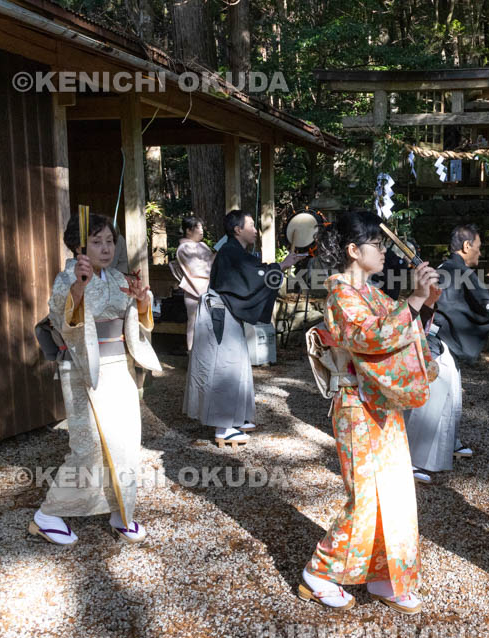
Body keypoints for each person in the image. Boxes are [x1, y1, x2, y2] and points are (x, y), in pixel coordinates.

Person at [300, 210, 440, 613]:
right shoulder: (341, 296)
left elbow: (403, 332)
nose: (382, 251)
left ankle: (383, 574)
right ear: (353, 251)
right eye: (376, 245)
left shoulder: (372, 294)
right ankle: (319, 572)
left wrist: (425, 307)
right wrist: (412, 300)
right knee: (364, 496)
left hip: (381, 404)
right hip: (355, 405)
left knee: (394, 493)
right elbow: (371, 338)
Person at [30, 213, 162, 546]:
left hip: (120, 370)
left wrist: (142, 300)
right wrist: (78, 287)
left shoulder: (119, 277)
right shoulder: (66, 279)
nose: (106, 248)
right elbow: (64, 321)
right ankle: (48, 515)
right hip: (84, 371)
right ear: (79, 247)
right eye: (97, 241)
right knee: (87, 448)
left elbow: (139, 324)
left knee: (126, 445)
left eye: (110, 241)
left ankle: (122, 512)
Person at [414, 225, 489, 478]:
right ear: (466, 247)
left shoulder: (443, 268)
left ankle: (447, 444)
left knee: (451, 398)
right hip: (439, 343)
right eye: (478, 248)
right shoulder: (462, 272)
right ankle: (414, 460)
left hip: (435, 339)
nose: (479, 253)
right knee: (433, 403)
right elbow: (487, 308)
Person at [184, 210, 304, 446]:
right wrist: (280, 266)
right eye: (251, 225)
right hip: (219, 316)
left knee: (236, 365)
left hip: (225, 314)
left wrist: (280, 266)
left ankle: (235, 417)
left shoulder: (235, 252)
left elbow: (255, 274)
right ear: (238, 229)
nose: (256, 230)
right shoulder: (230, 252)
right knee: (224, 368)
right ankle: (223, 426)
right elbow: (255, 276)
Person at [174, 216, 214, 351]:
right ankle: (192, 355)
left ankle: (207, 356)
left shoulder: (202, 245)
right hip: (193, 290)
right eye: (198, 227)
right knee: (194, 324)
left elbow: (209, 263)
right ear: (188, 231)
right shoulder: (183, 248)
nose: (201, 231)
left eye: (201, 227)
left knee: (209, 324)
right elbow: (198, 269)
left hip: (209, 288)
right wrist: (215, 258)